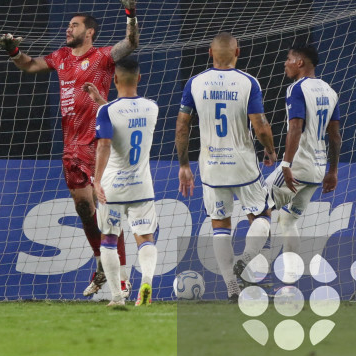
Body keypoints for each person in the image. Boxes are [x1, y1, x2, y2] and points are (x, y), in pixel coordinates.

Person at [0, 0, 140, 299]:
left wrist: (130, 12)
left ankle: (124, 279)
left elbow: (131, 43)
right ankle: (102, 265)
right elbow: (29, 65)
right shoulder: (60, 57)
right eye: (68, 25)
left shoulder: (102, 57)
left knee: (108, 213)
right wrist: (12, 51)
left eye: (73, 25)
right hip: (72, 149)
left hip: (100, 144)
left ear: (89, 32)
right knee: (85, 211)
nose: (67, 28)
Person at [176, 32, 277, 302]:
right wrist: (270, 149)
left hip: (211, 166)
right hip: (242, 163)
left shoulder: (195, 83)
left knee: (220, 225)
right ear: (237, 53)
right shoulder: (248, 82)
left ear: (210, 53)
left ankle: (232, 286)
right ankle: (243, 261)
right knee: (263, 215)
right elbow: (259, 125)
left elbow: (182, 126)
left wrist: (184, 165)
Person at [247, 46, 341, 284]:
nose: (284, 63)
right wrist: (333, 171)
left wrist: (286, 164)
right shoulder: (330, 91)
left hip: (298, 165)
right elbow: (335, 135)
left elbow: (296, 127)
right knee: (288, 221)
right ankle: (290, 282)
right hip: (318, 169)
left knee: (257, 206)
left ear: (300, 63)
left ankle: (257, 271)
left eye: (288, 59)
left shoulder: (297, 88)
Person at [85, 57, 159, 307]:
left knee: (108, 240)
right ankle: (146, 281)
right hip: (142, 186)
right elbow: (127, 121)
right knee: (145, 238)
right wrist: (100, 102)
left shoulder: (106, 111)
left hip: (113, 188)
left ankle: (117, 297)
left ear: (115, 79)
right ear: (139, 78)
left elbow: (105, 144)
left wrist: (95, 182)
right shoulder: (152, 107)